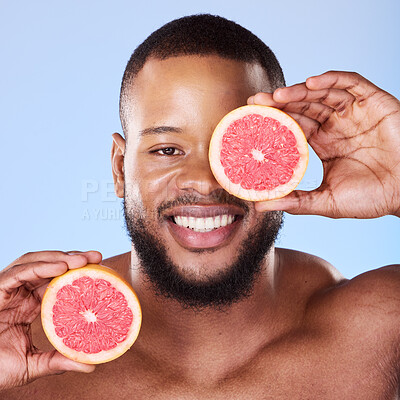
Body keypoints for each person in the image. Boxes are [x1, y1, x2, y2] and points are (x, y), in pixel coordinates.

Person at [1, 14, 399, 399]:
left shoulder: (379, 331)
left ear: (280, 156)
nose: (205, 181)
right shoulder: (25, 354)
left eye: (236, 148)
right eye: (167, 149)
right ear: (120, 169)